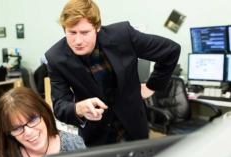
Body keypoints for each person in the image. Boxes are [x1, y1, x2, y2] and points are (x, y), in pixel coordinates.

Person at [45, 0, 181, 146]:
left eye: (85, 32)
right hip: (96, 134)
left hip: (134, 125)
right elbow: (59, 105)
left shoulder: (123, 35)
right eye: (71, 32)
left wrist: (152, 86)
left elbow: (170, 51)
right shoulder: (55, 58)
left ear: (97, 28)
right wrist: (79, 108)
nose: (78, 40)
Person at [0, 87, 85, 157]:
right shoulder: (2, 155)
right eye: (16, 128)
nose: (28, 132)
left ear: (44, 114)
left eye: (32, 120)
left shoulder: (74, 145)